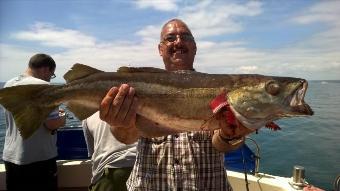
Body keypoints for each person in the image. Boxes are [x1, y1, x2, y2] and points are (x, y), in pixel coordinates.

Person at [99, 19, 252, 190]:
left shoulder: (217, 88)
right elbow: (126, 138)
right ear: (160, 49)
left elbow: (221, 144)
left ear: (194, 47)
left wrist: (232, 133)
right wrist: (120, 124)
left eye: (185, 37)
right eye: (170, 38)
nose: (178, 41)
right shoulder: (137, 87)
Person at [2, 53, 66, 191]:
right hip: (38, 158)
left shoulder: (9, 84)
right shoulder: (44, 87)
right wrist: (63, 117)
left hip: (11, 157)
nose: (50, 78)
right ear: (45, 69)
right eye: (52, 74)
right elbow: (51, 124)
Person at [82, 111, 137, 191]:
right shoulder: (135, 106)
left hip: (108, 176)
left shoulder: (87, 115)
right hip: (139, 168)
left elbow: (93, 155)